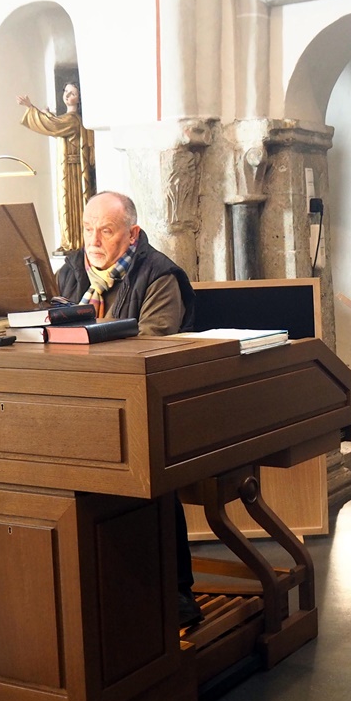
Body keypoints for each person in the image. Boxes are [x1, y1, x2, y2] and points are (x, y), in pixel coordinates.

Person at [59, 190, 202, 626]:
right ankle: (99, 587)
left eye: (106, 230)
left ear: (132, 233)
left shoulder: (161, 276)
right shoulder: (69, 273)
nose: (94, 240)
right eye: (88, 229)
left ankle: (176, 592)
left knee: (150, 478)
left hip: (150, 410)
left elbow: (148, 350)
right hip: (79, 404)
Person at [18, 82, 96, 253]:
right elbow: (55, 124)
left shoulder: (73, 119)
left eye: (73, 93)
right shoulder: (67, 119)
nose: (68, 95)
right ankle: (70, 240)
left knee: (70, 204)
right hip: (66, 170)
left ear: (80, 98)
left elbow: (53, 125)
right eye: (66, 91)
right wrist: (45, 114)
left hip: (73, 172)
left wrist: (31, 107)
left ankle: (75, 241)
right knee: (64, 205)